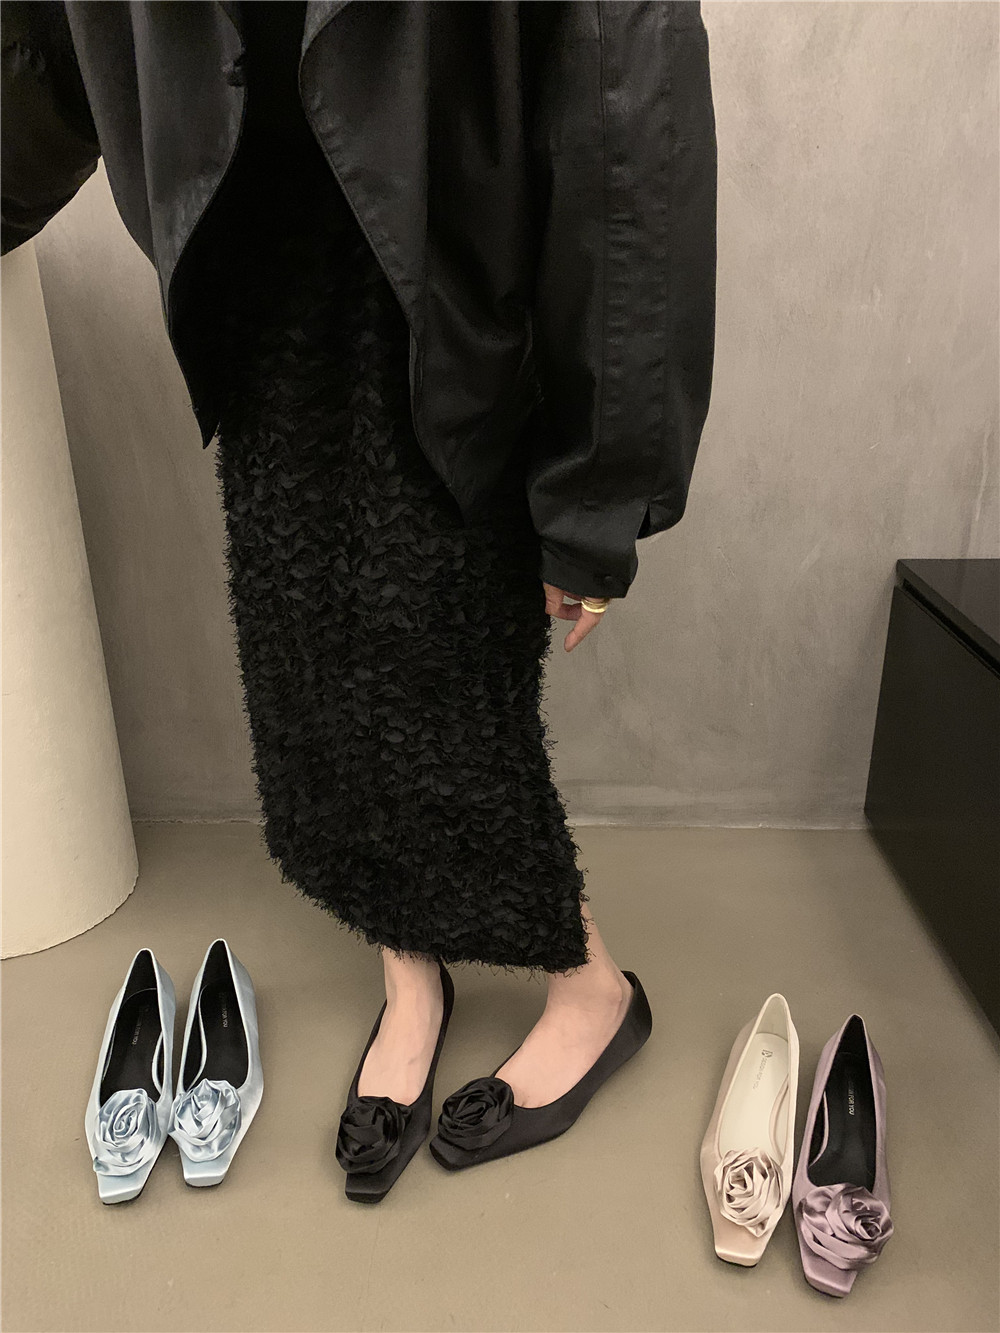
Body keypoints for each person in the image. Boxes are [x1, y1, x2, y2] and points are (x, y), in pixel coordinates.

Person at [1, 0, 716, 1195]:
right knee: (311, 680)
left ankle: (592, 988)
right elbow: (45, 41)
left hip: (452, 278)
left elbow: (627, 114)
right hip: (255, 266)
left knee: (444, 690)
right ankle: (409, 974)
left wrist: (601, 487)